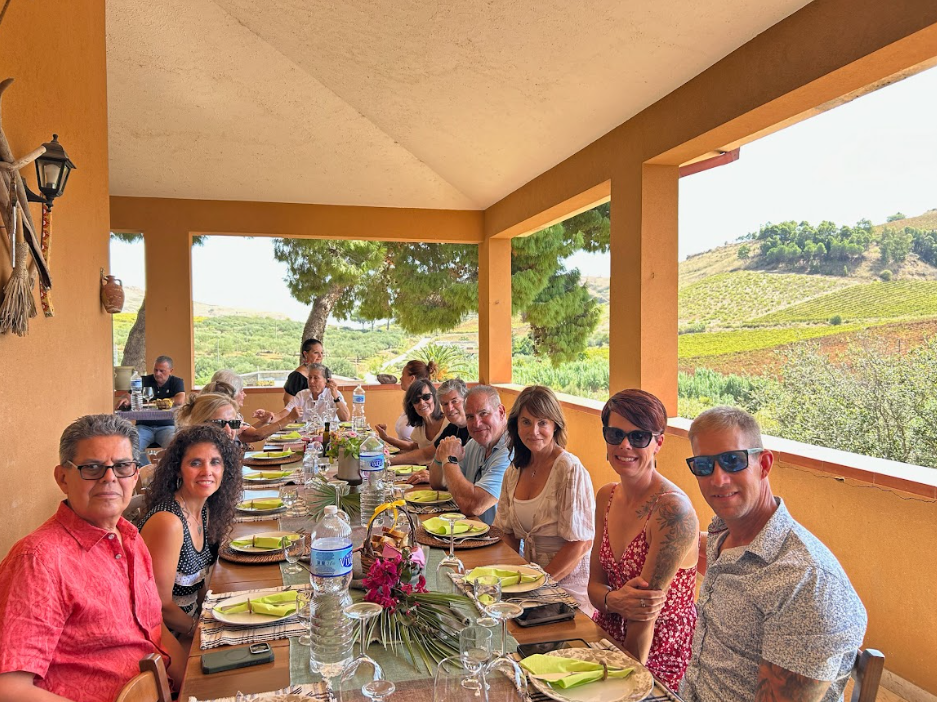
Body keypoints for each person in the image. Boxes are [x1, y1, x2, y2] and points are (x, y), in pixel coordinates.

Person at [680, 407, 867, 702]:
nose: (718, 479)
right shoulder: (724, 533)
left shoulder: (804, 579)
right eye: (704, 465)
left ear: (764, 464)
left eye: (732, 461)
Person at [0, 415, 185, 702]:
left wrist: (194, 686)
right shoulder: (38, 560)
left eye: (122, 467)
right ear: (63, 478)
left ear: (135, 476)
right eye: (93, 468)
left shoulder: (131, 537)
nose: (109, 478)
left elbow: (153, 629)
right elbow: (9, 689)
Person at [588, 389, 699, 688]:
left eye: (639, 437)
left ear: (658, 442)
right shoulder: (606, 496)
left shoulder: (672, 510)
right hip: (606, 638)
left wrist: (621, 688)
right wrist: (614, 600)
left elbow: (643, 618)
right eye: (615, 434)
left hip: (657, 656)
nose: (625, 445)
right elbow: (594, 589)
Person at [494, 386, 595, 613]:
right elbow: (505, 531)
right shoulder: (514, 470)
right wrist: (509, 575)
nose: (534, 431)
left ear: (555, 425)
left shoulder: (569, 470)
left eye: (543, 423)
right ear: (516, 425)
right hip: (528, 586)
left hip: (565, 593)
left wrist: (538, 585)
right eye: (526, 422)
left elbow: (580, 544)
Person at [139, 424, 241, 644]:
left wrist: (215, 620)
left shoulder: (205, 510)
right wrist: (203, 632)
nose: (207, 471)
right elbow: (161, 606)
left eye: (215, 462)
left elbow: (200, 586)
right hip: (164, 638)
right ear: (178, 469)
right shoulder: (169, 522)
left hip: (189, 623)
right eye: (195, 463)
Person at [430, 385, 510, 525]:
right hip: (473, 533)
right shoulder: (475, 444)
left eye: (483, 413)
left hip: (499, 543)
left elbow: (473, 506)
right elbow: (439, 483)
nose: (476, 423)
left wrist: (449, 460)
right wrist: (440, 456)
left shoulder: (511, 450)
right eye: (470, 417)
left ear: (501, 411)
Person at [398, 378, 471, 481]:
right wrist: (387, 461)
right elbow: (426, 454)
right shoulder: (453, 427)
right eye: (445, 404)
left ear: (466, 400)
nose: (450, 408)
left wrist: (437, 476)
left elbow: (472, 473)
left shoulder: (477, 429)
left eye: (454, 401)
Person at [120, 356, 186, 464]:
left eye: (161, 371)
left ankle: (165, 474)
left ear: (171, 371)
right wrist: (125, 399)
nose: (157, 373)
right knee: (131, 448)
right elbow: (129, 395)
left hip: (167, 427)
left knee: (176, 449)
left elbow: (180, 399)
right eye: (155, 370)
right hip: (144, 426)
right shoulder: (143, 380)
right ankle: (148, 472)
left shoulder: (176, 382)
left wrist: (162, 402)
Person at [202, 370, 289, 444]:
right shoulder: (223, 415)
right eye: (241, 391)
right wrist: (290, 418)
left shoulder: (219, 410)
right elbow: (257, 435)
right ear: (232, 393)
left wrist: (263, 422)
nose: (244, 395)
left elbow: (242, 433)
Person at [376, 359, 437, 444]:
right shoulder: (412, 403)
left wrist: (387, 439)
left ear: (412, 378)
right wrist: (385, 438)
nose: (400, 378)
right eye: (416, 400)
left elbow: (417, 448)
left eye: (403, 374)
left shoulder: (424, 408)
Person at [272, 362, 349, 424]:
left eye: (316, 378)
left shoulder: (334, 394)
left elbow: (345, 418)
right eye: (309, 377)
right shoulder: (302, 395)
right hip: (304, 437)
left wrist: (335, 397)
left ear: (326, 380)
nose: (311, 381)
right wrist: (270, 417)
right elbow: (284, 414)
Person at [282, 338, 328, 404]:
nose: (320, 356)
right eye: (316, 353)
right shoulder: (297, 376)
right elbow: (288, 400)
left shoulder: (324, 372)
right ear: (306, 354)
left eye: (321, 353)